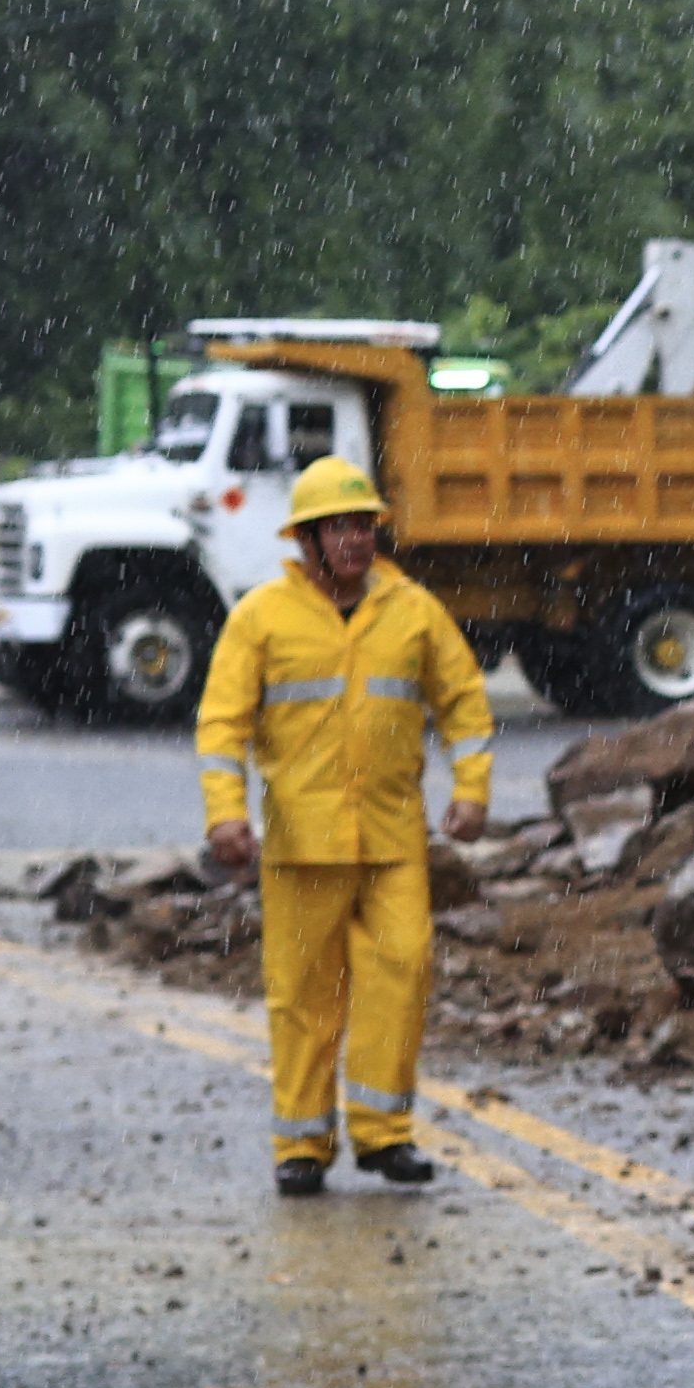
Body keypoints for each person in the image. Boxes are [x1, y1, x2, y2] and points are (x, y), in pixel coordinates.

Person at [195, 457, 493, 1195]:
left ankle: (384, 1134)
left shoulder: (413, 609)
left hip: (392, 839)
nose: (356, 539)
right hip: (303, 846)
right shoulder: (261, 617)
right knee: (303, 996)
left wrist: (472, 789)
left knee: (404, 971)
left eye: (364, 525)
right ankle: (302, 1145)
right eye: (339, 526)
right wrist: (226, 816)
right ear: (306, 539)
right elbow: (221, 724)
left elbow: (464, 702)